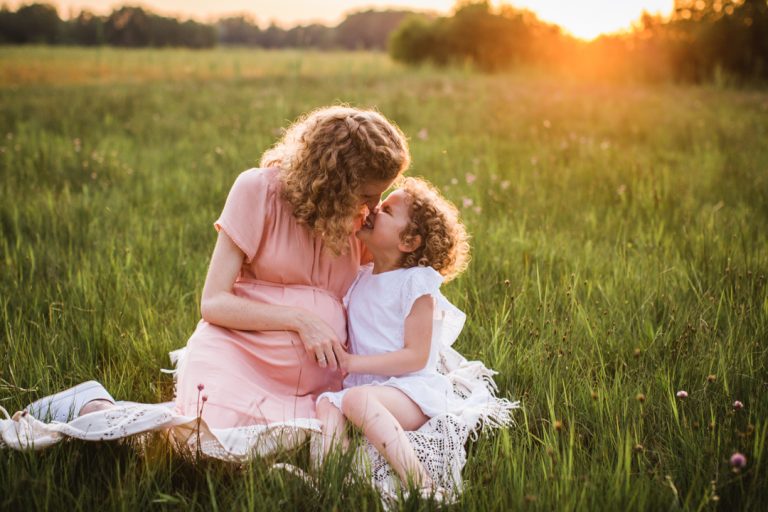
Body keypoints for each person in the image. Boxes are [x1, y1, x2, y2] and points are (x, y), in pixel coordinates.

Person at [23, 105, 411, 428]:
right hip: (238, 357)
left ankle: (113, 414)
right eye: (366, 194)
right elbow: (214, 302)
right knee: (196, 444)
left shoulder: (358, 219)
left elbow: (388, 287)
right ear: (335, 180)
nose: (373, 207)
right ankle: (92, 407)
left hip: (316, 385)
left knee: (281, 449)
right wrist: (299, 320)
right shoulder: (258, 190)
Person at [315, 176, 471, 493]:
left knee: (357, 399)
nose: (372, 210)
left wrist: (352, 363)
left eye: (386, 210)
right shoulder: (360, 278)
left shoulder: (414, 283)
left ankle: (421, 484)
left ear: (408, 242)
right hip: (371, 387)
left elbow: (416, 356)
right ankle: (332, 484)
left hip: (411, 390)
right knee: (326, 405)